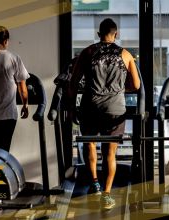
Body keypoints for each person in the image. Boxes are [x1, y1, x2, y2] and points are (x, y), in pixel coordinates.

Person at [69, 18, 140, 210]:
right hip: (115, 109)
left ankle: (95, 184)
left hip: (90, 107)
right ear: (116, 34)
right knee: (110, 153)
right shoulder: (125, 54)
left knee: (90, 144)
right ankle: (107, 195)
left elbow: (73, 83)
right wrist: (119, 90)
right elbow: (136, 85)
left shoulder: (88, 52)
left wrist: (71, 107)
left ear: (98, 34)